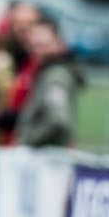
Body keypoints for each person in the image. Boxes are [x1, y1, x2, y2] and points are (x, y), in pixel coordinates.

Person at [10, 17, 76, 148]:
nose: (37, 51)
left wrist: (27, 140)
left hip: (45, 158)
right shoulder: (43, 72)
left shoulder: (55, 77)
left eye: (43, 46)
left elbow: (58, 121)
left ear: (58, 44)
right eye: (33, 46)